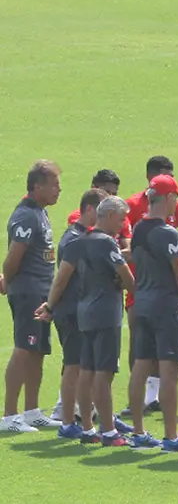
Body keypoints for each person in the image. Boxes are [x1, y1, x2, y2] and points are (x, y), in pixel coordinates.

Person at [37, 196, 135, 446]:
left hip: (84, 313)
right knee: (104, 373)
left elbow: (61, 278)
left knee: (86, 371)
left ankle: (88, 429)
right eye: (121, 219)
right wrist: (130, 286)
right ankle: (110, 431)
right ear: (109, 215)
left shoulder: (77, 242)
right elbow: (127, 278)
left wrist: (49, 305)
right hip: (106, 314)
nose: (123, 225)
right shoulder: (107, 243)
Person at [127, 175, 178, 451]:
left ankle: (138, 432)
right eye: (176, 197)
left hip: (142, 302)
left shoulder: (138, 228)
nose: (177, 202)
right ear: (168, 198)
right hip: (165, 306)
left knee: (141, 366)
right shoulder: (167, 233)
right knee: (169, 370)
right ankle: (171, 436)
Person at [1, 160, 62, 432]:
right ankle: (9, 416)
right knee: (24, 348)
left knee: (37, 350)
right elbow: (13, 258)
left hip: (41, 292)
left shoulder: (39, 212)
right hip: (28, 292)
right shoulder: (27, 215)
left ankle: (31, 411)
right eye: (54, 185)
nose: (59, 190)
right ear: (37, 187)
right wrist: (8, 281)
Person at [51, 188, 108, 438]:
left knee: (83, 366)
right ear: (89, 209)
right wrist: (50, 306)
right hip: (71, 310)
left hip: (79, 310)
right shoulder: (74, 239)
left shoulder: (82, 236)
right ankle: (67, 422)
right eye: (101, 210)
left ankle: (92, 418)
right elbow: (62, 279)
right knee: (73, 366)